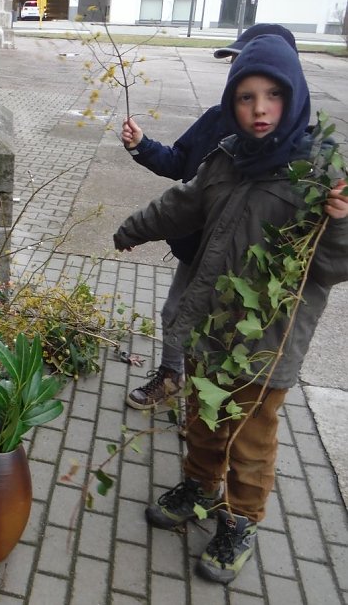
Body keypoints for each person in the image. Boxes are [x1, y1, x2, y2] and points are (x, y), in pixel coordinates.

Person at [113, 34, 348, 583]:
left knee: (250, 438)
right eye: (245, 97)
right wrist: (132, 230)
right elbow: (181, 203)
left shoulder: (320, 175)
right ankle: (199, 486)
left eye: (272, 95)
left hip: (269, 343)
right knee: (202, 416)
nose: (259, 109)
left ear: (294, 96)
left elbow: (335, 268)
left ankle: (240, 519)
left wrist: (341, 223)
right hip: (212, 328)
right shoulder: (228, 157)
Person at [120, 23, 297, 411]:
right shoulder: (217, 118)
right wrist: (141, 146)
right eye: (235, 66)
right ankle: (173, 379)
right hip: (198, 248)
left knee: (224, 337)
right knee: (175, 311)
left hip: (246, 269)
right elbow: (180, 165)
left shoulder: (298, 155)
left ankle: (211, 406)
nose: (237, 74)